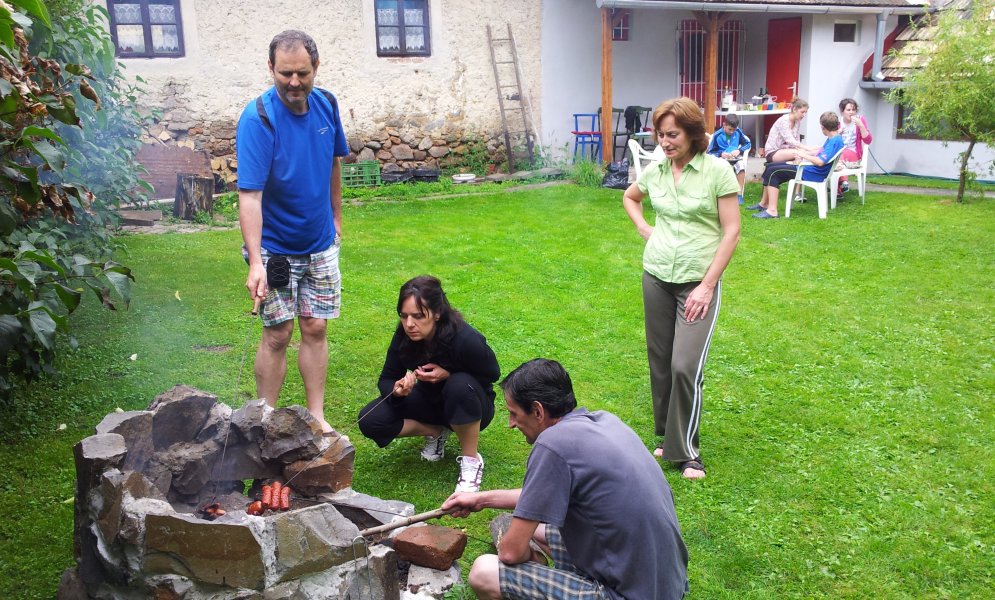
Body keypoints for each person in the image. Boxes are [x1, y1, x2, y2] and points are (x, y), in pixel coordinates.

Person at [442, 358, 688, 600]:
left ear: (538, 411)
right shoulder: (605, 422)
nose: (511, 424)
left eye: (514, 414)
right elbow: (541, 495)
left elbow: (509, 553)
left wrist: (523, 553)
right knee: (539, 531)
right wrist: (481, 499)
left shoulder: (552, 446)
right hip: (663, 584)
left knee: (484, 572)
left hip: (624, 594)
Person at [235, 30, 349, 433]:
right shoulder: (258, 119)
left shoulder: (327, 104)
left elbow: (334, 162)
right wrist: (255, 262)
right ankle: (264, 418)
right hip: (277, 251)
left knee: (315, 328)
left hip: (320, 245)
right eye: (285, 74)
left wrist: (336, 216)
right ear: (271, 69)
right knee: (278, 333)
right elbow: (250, 196)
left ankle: (316, 416)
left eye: (303, 73)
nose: (294, 82)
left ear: (316, 67)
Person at [621, 97, 741, 479]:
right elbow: (630, 197)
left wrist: (707, 286)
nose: (665, 141)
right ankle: (665, 434)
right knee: (660, 362)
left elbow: (732, 230)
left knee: (684, 365)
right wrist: (644, 228)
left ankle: (687, 451)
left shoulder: (717, 171)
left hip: (696, 280)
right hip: (656, 274)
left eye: (672, 134)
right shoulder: (656, 172)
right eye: (660, 134)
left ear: (693, 133)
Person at [358, 275, 499, 493]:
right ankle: (435, 431)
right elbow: (386, 378)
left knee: (459, 384)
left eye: (417, 316)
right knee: (370, 419)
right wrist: (397, 391)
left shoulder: (466, 338)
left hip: (471, 405)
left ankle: (471, 461)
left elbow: (491, 374)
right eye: (403, 316)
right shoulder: (404, 333)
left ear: (437, 313)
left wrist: (449, 374)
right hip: (429, 402)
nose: (409, 324)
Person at [750, 111, 844, 219]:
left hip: (812, 173)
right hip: (812, 170)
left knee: (773, 172)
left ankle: (772, 211)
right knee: (770, 167)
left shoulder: (834, 141)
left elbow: (820, 161)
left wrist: (803, 155)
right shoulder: (835, 138)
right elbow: (820, 153)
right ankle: (764, 204)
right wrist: (802, 154)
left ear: (823, 127)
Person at [706, 113, 752, 204]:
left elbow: (748, 143)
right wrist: (721, 154)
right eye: (730, 129)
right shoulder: (717, 135)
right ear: (724, 125)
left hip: (735, 159)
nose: (732, 132)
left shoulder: (738, 132)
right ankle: (720, 193)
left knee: (741, 167)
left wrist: (739, 150)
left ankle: (739, 195)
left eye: (733, 130)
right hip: (722, 160)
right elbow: (710, 152)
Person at [763, 97, 821, 164]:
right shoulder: (784, 120)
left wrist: (803, 149)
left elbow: (797, 141)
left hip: (785, 150)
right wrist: (809, 148)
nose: (804, 115)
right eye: (802, 112)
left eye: (805, 112)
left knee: (801, 152)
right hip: (773, 152)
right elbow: (790, 141)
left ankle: (816, 154)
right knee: (802, 152)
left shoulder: (797, 122)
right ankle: (815, 153)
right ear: (794, 109)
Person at [837, 97, 872, 194]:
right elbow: (832, 140)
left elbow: (868, 140)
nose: (851, 112)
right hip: (839, 153)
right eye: (848, 110)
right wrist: (838, 133)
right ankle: (840, 187)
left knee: (841, 153)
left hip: (854, 153)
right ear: (842, 111)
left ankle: (843, 182)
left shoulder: (860, 120)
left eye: (853, 110)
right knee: (837, 153)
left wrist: (861, 125)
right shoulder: (838, 122)